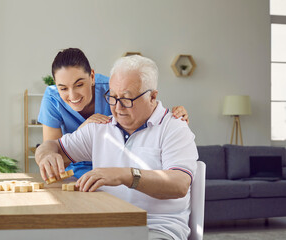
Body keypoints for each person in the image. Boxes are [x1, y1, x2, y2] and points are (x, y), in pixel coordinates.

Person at [35, 55, 198, 240]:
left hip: (155, 227)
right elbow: (51, 146)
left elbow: (179, 184)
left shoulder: (174, 127)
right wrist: (46, 155)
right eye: (112, 98)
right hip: (105, 225)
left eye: (127, 99)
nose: (118, 108)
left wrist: (125, 175)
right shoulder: (100, 128)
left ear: (152, 96)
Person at [37, 48, 190, 178]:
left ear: (92, 77)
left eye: (79, 84)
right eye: (63, 88)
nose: (72, 95)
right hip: (76, 172)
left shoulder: (114, 90)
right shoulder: (53, 99)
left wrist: (174, 116)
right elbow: (54, 152)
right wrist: (47, 155)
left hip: (116, 171)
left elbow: (144, 104)